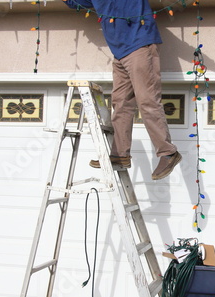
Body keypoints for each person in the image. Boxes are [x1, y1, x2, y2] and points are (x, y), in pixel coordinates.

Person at [63, 0, 182, 180]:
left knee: (147, 100)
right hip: (119, 54)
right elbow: (75, 2)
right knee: (120, 104)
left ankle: (168, 152)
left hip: (140, 46)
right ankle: (120, 154)